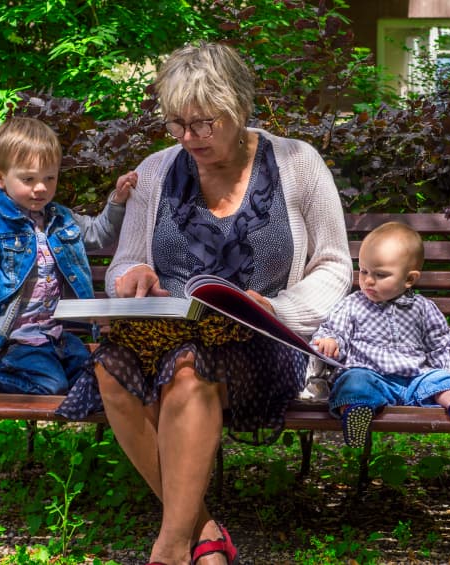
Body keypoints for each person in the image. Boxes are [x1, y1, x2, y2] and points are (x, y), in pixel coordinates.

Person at [56, 42, 352, 565]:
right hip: (166, 334)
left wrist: (277, 307)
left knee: (188, 370)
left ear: (238, 108)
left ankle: (170, 548)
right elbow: (123, 264)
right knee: (110, 367)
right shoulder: (155, 170)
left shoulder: (297, 162)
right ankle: (205, 533)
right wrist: (133, 277)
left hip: (260, 342)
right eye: (177, 124)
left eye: (203, 124)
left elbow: (334, 266)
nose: (189, 138)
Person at [0, 116, 136, 394]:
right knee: (51, 387)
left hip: (56, 337)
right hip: (12, 342)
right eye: (28, 179)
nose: (40, 187)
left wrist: (117, 201)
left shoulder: (62, 220)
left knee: (97, 379)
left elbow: (100, 233)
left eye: (49, 178)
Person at [311, 221, 450, 449]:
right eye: (363, 271)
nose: (368, 281)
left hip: (415, 380)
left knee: (440, 380)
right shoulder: (353, 304)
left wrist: (444, 373)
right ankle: (355, 415)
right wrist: (330, 342)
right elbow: (334, 330)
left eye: (380, 275)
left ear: (410, 279)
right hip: (371, 378)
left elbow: (440, 344)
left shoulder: (423, 309)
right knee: (352, 381)